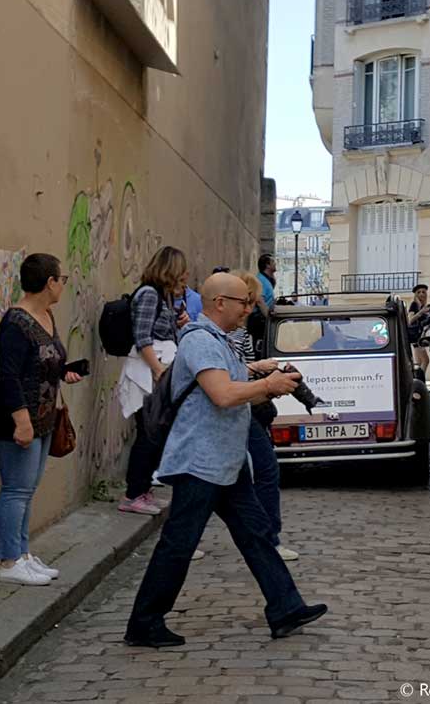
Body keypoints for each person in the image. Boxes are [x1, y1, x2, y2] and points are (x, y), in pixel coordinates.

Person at [125, 273, 327, 647]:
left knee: (257, 535)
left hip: (225, 462)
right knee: (178, 544)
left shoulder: (219, 341)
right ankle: (144, 622)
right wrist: (267, 386)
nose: (249, 308)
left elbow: (226, 380)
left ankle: (285, 606)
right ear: (220, 303)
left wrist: (257, 370)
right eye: (243, 302)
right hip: (200, 462)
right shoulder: (201, 340)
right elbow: (221, 394)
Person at [0, 253, 83, 586]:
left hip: (44, 416)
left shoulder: (46, 316)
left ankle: (22, 552)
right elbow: (8, 375)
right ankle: (8, 560)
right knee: (15, 489)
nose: (63, 286)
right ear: (49, 282)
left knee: (27, 490)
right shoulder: (16, 322)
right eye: (62, 279)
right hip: (19, 417)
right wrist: (21, 421)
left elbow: (48, 362)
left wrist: (66, 372)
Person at [117, 246, 190, 516]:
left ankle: (143, 489)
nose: (185, 278)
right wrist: (159, 370)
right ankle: (133, 493)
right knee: (147, 435)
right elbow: (143, 337)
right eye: (181, 273)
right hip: (146, 376)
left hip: (155, 372)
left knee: (155, 434)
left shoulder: (165, 297)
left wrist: (178, 322)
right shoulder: (149, 295)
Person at [232, 270, 299, 561]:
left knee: (248, 477)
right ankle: (268, 540)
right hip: (236, 410)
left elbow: (240, 369)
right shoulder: (220, 333)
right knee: (265, 471)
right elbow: (227, 376)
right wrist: (260, 374)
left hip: (245, 408)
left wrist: (263, 376)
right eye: (251, 300)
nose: (253, 307)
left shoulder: (241, 330)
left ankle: (266, 541)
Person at [407, 283, 430, 380]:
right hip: (416, 337)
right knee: (425, 361)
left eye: (423, 292)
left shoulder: (423, 306)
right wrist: (421, 312)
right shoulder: (414, 305)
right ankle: (419, 382)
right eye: (419, 292)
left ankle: (418, 381)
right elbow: (410, 320)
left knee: (420, 362)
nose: (421, 294)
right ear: (416, 295)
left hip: (419, 337)